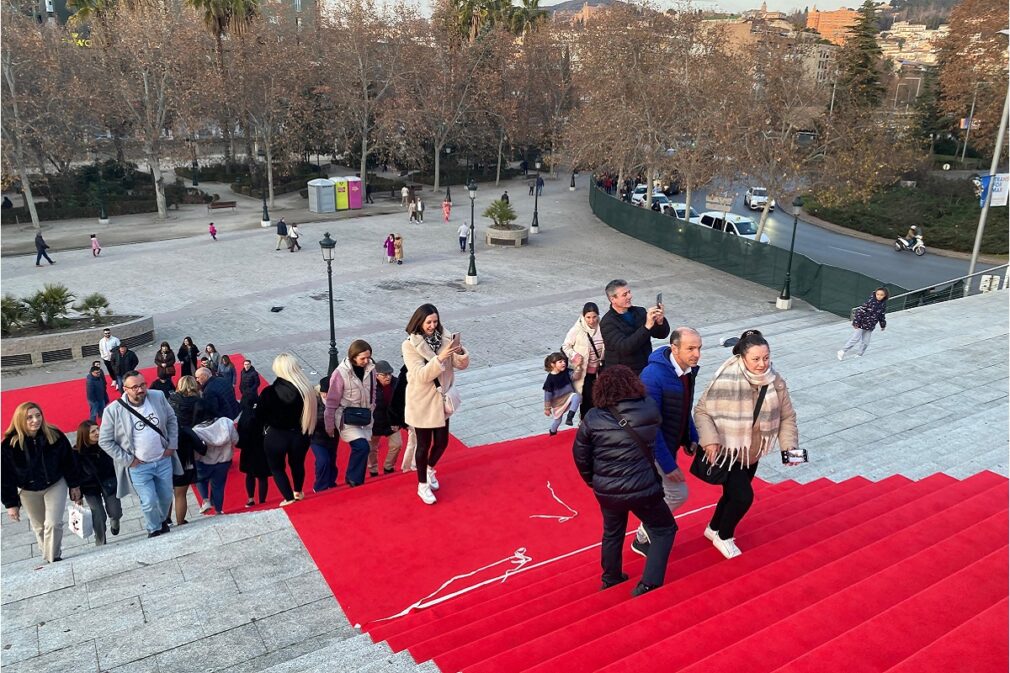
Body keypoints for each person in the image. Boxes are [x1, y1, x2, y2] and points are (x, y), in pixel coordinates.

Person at [572, 366, 677, 596]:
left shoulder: (592, 417)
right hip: (644, 488)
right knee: (664, 528)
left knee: (612, 532)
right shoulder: (648, 408)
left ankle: (611, 578)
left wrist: (595, 481)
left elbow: (580, 455)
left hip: (607, 490)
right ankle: (649, 583)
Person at [694, 330, 800, 559]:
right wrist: (710, 440)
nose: (762, 364)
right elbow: (701, 411)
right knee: (743, 497)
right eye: (756, 359)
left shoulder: (776, 381)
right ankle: (725, 536)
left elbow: (787, 416)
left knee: (732, 495)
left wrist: (789, 447)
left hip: (752, 451)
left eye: (766, 358)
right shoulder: (726, 377)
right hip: (727, 449)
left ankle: (713, 528)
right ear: (743, 357)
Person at [633, 327, 701, 558]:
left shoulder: (686, 371)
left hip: (668, 444)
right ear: (674, 348)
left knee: (662, 492)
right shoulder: (653, 376)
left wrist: (691, 436)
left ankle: (645, 532)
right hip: (653, 449)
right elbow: (650, 425)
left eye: (699, 348)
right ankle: (643, 534)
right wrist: (668, 464)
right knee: (678, 493)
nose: (696, 354)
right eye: (690, 348)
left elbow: (683, 408)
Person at [99, 371, 181, 537]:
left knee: (166, 497)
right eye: (135, 387)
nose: (140, 389)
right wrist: (128, 460)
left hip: (162, 459)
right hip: (139, 466)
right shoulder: (113, 410)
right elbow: (105, 441)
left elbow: (172, 419)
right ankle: (153, 529)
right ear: (125, 389)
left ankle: (161, 520)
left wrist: (171, 445)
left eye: (142, 385)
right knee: (149, 501)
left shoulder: (157, 396)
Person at [401, 304, 469, 504]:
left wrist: (459, 350)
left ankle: (430, 469)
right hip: (422, 401)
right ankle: (422, 485)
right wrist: (440, 358)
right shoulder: (409, 345)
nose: (432, 325)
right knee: (423, 444)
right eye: (428, 322)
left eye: (435, 321)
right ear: (419, 322)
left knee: (442, 442)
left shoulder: (445, 338)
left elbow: (461, 365)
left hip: (441, 398)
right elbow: (421, 375)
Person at [2, 403, 80, 563]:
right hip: (28, 490)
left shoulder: (54, 435)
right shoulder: (9, 445)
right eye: (29, 417)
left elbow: (69, 461)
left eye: (38, 415)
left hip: (55, 483)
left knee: (53, 523)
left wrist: (74, 484)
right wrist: (11, 504)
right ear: (20, 419)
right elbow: (5, 477)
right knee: (39, 527)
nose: (35, 420)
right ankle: (50, 556)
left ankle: (52, 559)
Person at [257, 353, 315, 506]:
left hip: (276, 436)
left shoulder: (268, 392)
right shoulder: (306, 391)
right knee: (298, 464)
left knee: (277, 468)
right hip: (299, 434)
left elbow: (259, 416)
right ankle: (298, 491)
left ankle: (288, 497)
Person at [325, 340, 377, 487]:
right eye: (363, 358)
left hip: (365, 417)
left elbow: (373, 390)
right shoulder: (340, 373)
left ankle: (353, 478)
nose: (366, 361)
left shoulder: (371, 369)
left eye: (369, 357)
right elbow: (331, 401)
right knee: (361, 447)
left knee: (365, 448)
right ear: (353, 356)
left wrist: (372, 407)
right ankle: (354, 479)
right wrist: (330, 426)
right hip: (347, 417)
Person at [599, 279, 668, 375]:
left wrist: (660, 322)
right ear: (612, 299)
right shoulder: (607, 323)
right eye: (624, 295)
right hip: (623, 376)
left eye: (629, 292)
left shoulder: (640, 312)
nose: (629, 296)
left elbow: (661, 334)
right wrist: (646, 326)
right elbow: (625, 348)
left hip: (645, 370)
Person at [73, 420, 123, 545]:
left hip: (109, 482)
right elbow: (74, 475)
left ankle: (115, 521)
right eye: (93, 431)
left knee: (115, 511)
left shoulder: (106, 444)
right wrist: (77, 496)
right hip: (89, 487)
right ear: (84, 435)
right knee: (98, 515)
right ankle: (100, 541)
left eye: (98, 429)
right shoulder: (76, 453)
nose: (97, 433)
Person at [167, 375, 202, 525]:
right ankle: (180, 521)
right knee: (181, 492)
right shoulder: (198, 402)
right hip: (187, 446)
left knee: (167, 489)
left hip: (170, 444)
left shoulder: (171, 400)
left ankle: (165, 519)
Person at [562, 302, 606, 420]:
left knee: (599, 398)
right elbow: (566, 346)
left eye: (594, 317)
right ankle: (585, 423)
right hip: (583, 372)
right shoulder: (577, 329)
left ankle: (597, 422)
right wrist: (574, 355)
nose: (592, 320)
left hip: (599, 370)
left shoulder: (603, 327)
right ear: (583, 316)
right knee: (587, 399)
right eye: (588, 317)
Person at [191, 411, 237, 516]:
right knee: (219, 486)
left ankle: (205, 500)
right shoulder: (226, 422)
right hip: (224, 460)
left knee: (199, 479)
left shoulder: (196, 430)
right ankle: (219, 510)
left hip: (205, 462)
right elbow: (235, 439)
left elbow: (196, 451)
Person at [368, 360, 403, 476]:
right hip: (375, 423)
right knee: (372, 448)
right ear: (376, 375)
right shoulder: (370, 386)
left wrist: (398, 421)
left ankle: (388, 466)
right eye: (384, 375)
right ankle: (373, 469)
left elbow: (401, 403)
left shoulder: (396, 383)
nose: (388, 377)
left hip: (392, 422)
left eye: (389, 374)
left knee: (397, 444)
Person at [838, 288, 888, 361]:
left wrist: (883, 325)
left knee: (866, 342)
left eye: (881, 295)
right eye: (878, 294)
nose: (879, 296)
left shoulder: (883, 305)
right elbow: (860, 312)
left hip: (870, 326)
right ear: (875, 294)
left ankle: (859, 354)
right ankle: (842, 351)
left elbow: (881, 316)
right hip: (862, 324)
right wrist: (856, 322)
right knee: (855, 339)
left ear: (885, 296)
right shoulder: (870, 302)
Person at [237, 401, 270, 506]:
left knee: (249, 475)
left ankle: (250, 499)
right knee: (262, 476)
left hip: (248, 449)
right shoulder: (263, 414)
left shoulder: (244, 417)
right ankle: (262, 501)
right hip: (261, 448)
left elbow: (239, 434)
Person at [310, 377, 339, 492]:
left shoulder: (338, 400)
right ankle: (320, 486)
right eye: (324, 393)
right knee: (323, 460)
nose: (326, 395)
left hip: (332, 437)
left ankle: (331, 482)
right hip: (316, 437)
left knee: (331, 459)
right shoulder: (314, 401)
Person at [543, 352, 582, 436]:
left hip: (568, 396)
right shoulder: (550, 379)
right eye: (560, 362)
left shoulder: (566, 372)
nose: (563, 363)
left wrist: (578, 367)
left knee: (576, 396)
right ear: (553, 365)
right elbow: (547, 394)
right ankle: (552, 431)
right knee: (557, 420)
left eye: (564, 361)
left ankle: (570, 417)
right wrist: (547, 408)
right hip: (558, 403)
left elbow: (575, 377)